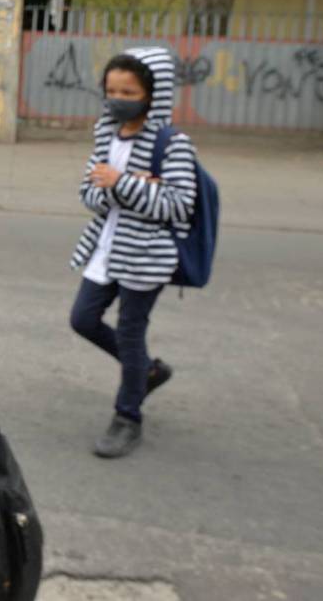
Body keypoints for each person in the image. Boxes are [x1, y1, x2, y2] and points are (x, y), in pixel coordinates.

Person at [69, 47, 198, 458]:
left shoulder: (173, 143)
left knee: (129, 332)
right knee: (83, 319)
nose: (118, 97)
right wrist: (120, 184)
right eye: (111, 89)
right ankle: (147, 370)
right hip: (105, 249)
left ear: (152, 93)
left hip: (146, 257)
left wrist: (122, 183)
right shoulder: (107, 135)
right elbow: (89, 192)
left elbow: (179, 204)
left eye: (129, 90)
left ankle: (128, 417)